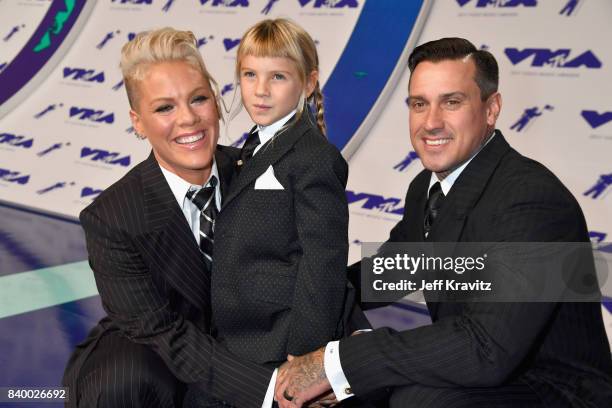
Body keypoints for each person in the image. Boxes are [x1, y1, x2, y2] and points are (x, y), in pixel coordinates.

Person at [276, 37, 612, 408]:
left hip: (560, 390)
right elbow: (385, 275)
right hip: (485, 371)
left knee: (415, 400)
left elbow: (487, 348)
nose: (431, 122)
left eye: (452, 102)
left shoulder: (534, 200)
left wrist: (337, 363)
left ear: (491, 109)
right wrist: (292, 300)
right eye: (419, 104)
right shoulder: (427, 188)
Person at [62, 28, 276, 408]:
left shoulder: (264, 174)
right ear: (138, 122)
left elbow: (313, 272)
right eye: (164, 108)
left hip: (253, 341)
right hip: (158, 352)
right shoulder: (110, 217)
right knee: (119, 382)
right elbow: (160, 331)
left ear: (215, 101)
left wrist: (349, 349)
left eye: (198, 99)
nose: (189, 119)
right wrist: (271, 388)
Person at [183, 17, 357, 407]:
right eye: (249, 74)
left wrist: (306, 353)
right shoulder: (253, 146)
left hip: (277, 342)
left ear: (309, 83)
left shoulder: (313, 158)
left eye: (277, 77)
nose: (260, 91)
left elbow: (323, 261)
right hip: (237, 336)